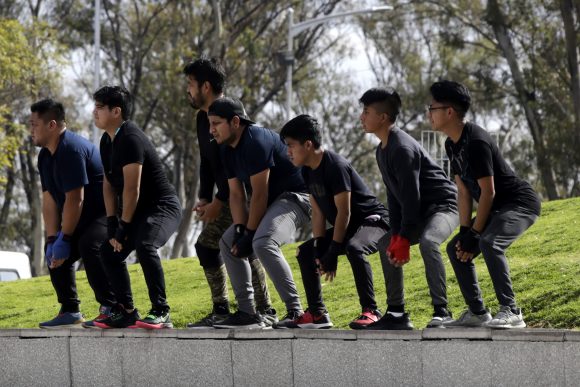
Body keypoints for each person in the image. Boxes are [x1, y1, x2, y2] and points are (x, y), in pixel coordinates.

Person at [428, 80, 541, 328]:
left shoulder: (476, 141)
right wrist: (465, 231)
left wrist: (477, 233)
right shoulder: (450, 144)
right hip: (498, 206)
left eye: (432, 108)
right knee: (456, 249)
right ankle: (478, 312)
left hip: (519, 203)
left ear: (449, 112)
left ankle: (512, 310)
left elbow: (488, 192)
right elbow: (464, 190)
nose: (429, 113)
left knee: (490, 243)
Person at [182, 57, 274, 328]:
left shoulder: (232, 114)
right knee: (211, 246)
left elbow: (235, 166)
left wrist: (219, 202)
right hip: (223, 195)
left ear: (206, 86)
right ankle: (223, 308)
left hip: (241, 196)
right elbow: (207, 162)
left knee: (241, 243)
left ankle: (264, 308)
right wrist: (204, 197)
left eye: (190, 84)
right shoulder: (202, 118)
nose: (187, 90)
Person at [359, 87, 459, 330]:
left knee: (428, 241)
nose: (362, 117)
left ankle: (442, 312)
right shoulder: (381, 150)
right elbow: (394, 197)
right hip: (420, 211)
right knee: (385, 244)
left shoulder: (401, 148)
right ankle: (396, 313)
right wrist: (395, 234)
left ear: (382, 117)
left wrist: (404, 236)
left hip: (444, 206)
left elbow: (411, 197)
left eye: (366, 111)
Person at [279, 114, 390, 329]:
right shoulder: (307, 171)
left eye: (291, 146)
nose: (288, 152)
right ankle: (317, 314)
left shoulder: (335, 166)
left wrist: (333, 251)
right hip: (349, 227)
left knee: (354, 248)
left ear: (308, 144)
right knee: (306, 252)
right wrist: (321, 247)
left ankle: (371, 311)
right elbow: (318, 212)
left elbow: (344, 212)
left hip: (374, 222)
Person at [207, 97, 310, 329]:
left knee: (262, 242)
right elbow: (236, 195)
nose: (211, 130)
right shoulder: (225, 149)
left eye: (216, 123)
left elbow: (260, 194)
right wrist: (242, 231)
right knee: (228, 242)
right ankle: (247, 313)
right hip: (273, 202)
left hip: (299, 197)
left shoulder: (256, 141)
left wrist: (250, 234)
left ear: (235, 121)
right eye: (209, 124)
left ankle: (296, 311)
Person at [91, 86, 182, 329]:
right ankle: (127, 311)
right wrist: (112, 225)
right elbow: (109, 185)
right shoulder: (106, 141)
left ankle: (161, 311)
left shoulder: (130, 139)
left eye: (99, 107)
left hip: (162, 207)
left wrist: (124, 227)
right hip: (138, 211)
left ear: (116, 111)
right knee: (109, 252)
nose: (94, 112)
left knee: (145, 245)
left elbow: (132, 189)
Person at [30, 98, 117, 329]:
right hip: (79, 215)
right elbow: (49, 198)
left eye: (34, 125)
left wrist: (66, 237)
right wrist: (52, 238)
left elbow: (75, 198)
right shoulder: (45, 156)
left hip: (104, 213)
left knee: (89, 245)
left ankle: (112, 307)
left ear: (52, 125)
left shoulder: (70, 148)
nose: (31, 130)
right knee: (55, 255)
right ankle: (70, 310)